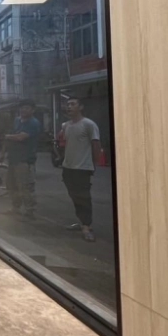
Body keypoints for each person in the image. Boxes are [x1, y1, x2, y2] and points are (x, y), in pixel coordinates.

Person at [61, 97, 101, 242]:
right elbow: (64, 143)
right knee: (74, 196)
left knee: (83, 197)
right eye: (68, 104)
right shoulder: (66, 125)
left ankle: (87, 226)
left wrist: (94, 164)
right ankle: (81, 221)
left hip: (82, 168)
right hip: (68, 167)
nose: (69, 107)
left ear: (81, 107)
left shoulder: (89, 124)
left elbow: (96, 145)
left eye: (73, 104)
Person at [4, 99, 41, 219]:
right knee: (12, 184)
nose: (23, 110)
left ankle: (30, 211)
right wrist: (4, 152)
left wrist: (7, 136)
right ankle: (16, 208)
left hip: (25, 160)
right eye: (22, 107)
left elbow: (21, 137)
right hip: (13, 158)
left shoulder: (33, 123)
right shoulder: (17, 121)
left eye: (27, 108)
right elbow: (13, 137)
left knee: (26, 186)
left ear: (32, 110)